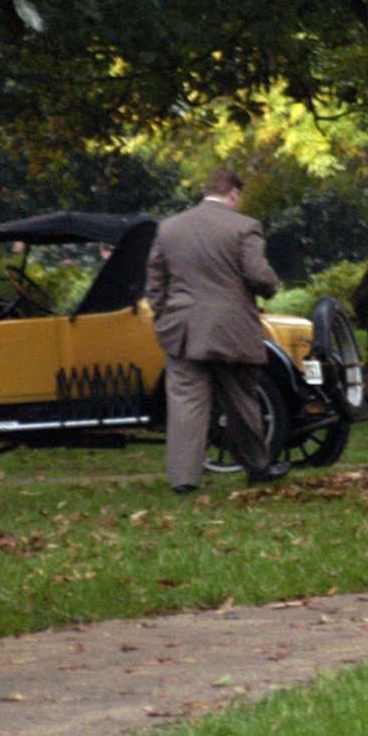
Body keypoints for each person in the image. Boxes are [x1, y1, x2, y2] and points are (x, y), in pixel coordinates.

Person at [145, 166, 289, 494]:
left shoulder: (170, 228)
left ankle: (183, 480)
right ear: (233, 194)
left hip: (183, 331)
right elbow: (259, 275)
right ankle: (258, 467)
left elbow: (155, 281)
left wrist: (164, 316)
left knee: (185, 402)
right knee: (241, 400)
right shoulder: (244, 227)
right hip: (232, 329)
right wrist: (271, 286)